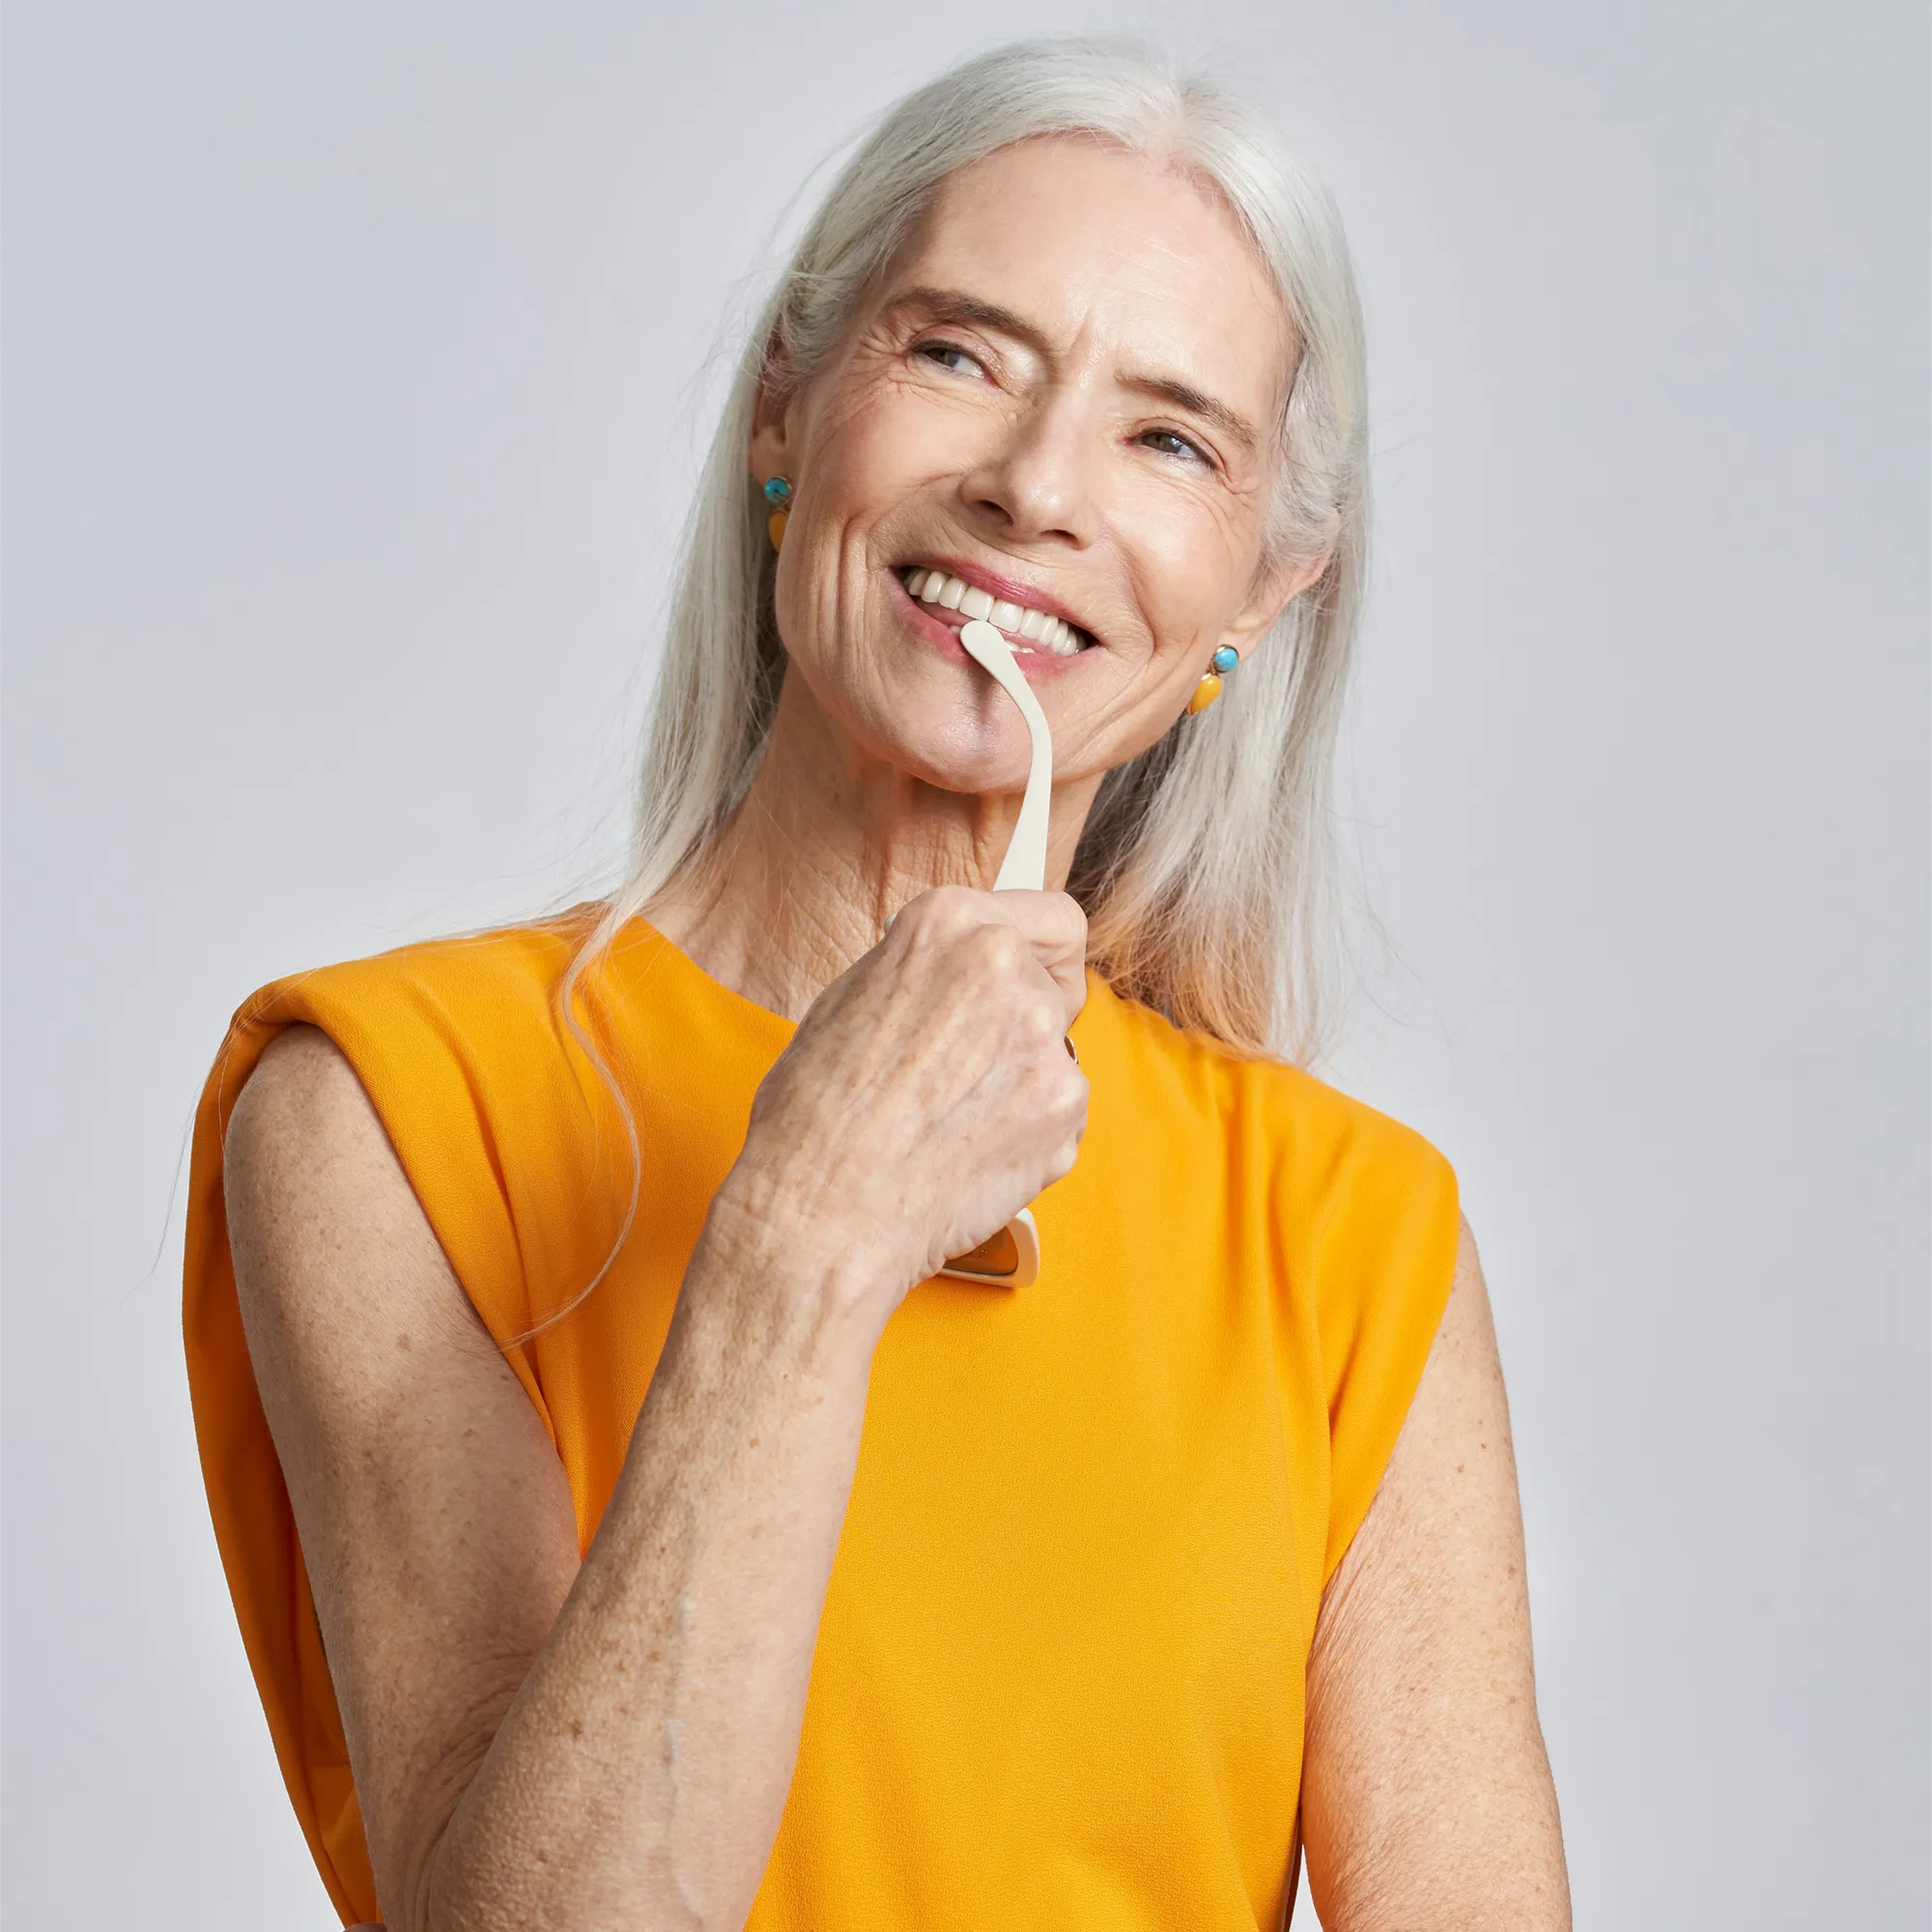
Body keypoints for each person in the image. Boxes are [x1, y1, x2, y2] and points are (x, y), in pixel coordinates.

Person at [185, 37, 1570, 1932]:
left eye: (1166, 435)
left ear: (1260, 588)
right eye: (957, 352)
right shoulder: (383, 1108)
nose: (1031, 488)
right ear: (786, 408)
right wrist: (803, 1235)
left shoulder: (1348, 1234)